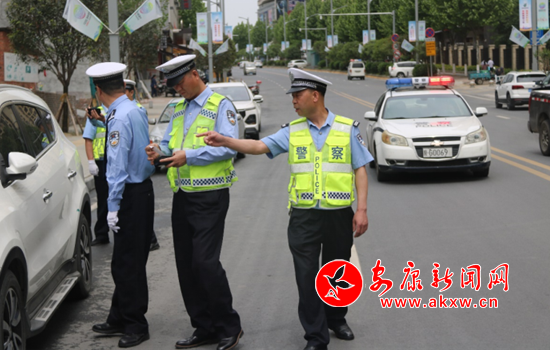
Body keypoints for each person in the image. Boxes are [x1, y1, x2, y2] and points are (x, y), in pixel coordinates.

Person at [196, 69, 372, 350]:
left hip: (338, 214)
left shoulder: (346, 128)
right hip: (303, 216)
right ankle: (316, 337)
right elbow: (258, 145)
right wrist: (226, 140)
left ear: (315, 96)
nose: (294, 101)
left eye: (298, 95)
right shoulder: (292, 130)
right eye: (293, 96)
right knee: (306, 276)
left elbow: (360, 168)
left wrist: (361, 209)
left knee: (336, 270)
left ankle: (336, 318)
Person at [146, 54, 243, 350]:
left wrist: (190, 155)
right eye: (172, 85)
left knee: (205, 262)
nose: (177, 89)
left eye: (180, 83)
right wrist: (158, 151)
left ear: (195, 74)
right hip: (182, 194)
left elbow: (229, 148)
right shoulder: (178, 108)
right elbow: (171, 144)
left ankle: (229, 326)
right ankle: (204, 327)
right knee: (187, 265)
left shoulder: (220, 105)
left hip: (211, 195)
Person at [88, 62, 156, 348]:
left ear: (98, 90)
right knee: (127, 260)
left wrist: (113, 205)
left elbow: (116, 167)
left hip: (129, 195)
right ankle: (119, 316)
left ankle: (135, 323)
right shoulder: (133, 109)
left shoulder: (118, 118)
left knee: (128, 263)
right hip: (142, 192)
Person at [124, 79, 160, 251]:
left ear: (131, 92)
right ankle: (148, 239)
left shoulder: (136, 110)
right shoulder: (122, 110)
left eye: (125, 91)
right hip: (134, 170)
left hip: (137, 170)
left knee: (139, 214)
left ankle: (150, 240)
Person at [83, 101, 111, 246]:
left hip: (118, 160)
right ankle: (102, 233)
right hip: (101, 162)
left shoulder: (121, 109)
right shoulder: (96, 112)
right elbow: (88, 139)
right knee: (103, 197)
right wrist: (91, 161)